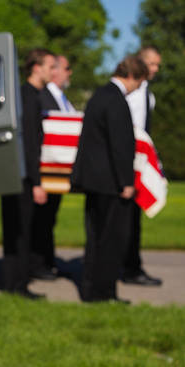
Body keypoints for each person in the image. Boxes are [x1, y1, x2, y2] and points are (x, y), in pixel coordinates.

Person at [71, 55, 148, 302]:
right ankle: (104, 293)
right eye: (140, 82)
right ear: (134, 76)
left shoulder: (99, 96)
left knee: (94, 238)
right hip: (110, 183)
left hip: (94, 180)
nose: (138, 88)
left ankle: (91, 289)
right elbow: (121, 146)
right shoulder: (116, 101)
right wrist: (126, 182)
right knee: (111, 239)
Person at [0, 48, 56, 299]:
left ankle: (14, 283)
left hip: (16, 173)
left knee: (17, 230)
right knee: (20, 231)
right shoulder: (29, 97)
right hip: (22, 176)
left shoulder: (28, 95)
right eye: (49, 66)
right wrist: (36, 182)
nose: (52, 72)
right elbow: (30, 145)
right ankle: (17, 285)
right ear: (36, 67)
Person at [122, 46, 163, 286]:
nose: (154, 69)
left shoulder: (148, 95)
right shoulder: (134, 95)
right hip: (130, 164)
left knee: (134, 221)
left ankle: (132, 265)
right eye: (151, 64)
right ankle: (130, 268)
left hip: (139, 162)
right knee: (127, 221)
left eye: (157, 65)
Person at [34, 54, 74, 277]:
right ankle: (38, 263)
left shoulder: (62, 98)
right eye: (66, 68)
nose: (69, 73)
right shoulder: (43, 95)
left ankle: (46, 261)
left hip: (59, 170)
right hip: (47, 168)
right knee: (42, 218)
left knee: (50, 218)